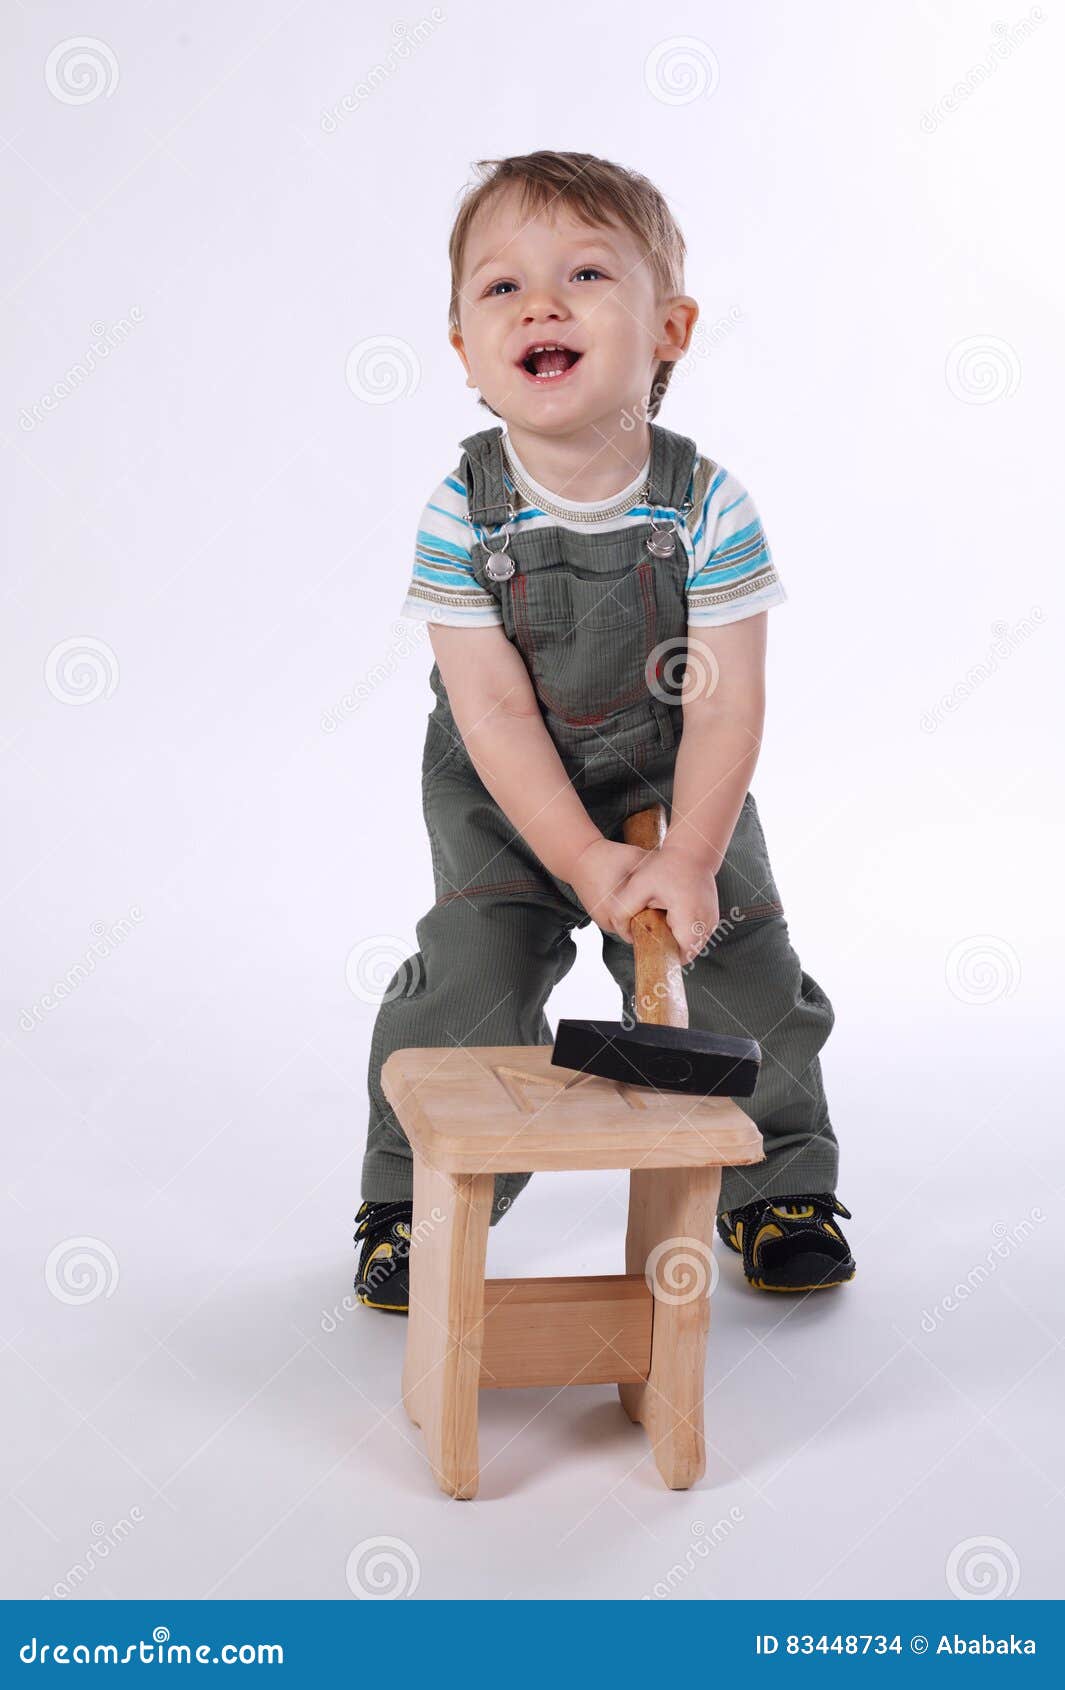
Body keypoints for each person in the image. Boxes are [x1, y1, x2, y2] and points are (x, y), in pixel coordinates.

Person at [354, 150, 854, 1312]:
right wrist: (578, 860)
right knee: (470, 976)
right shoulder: (460, 514)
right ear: (465, 349)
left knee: (744, 959)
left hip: (680, 766)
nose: (541, 303)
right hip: (504, 776)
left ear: (668, 327)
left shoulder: (707, 504)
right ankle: (411, 1198)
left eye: (584, 273)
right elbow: (489, 706)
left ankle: (782, 1181)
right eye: (501, 287)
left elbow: (727, 698)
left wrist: (685, 855)